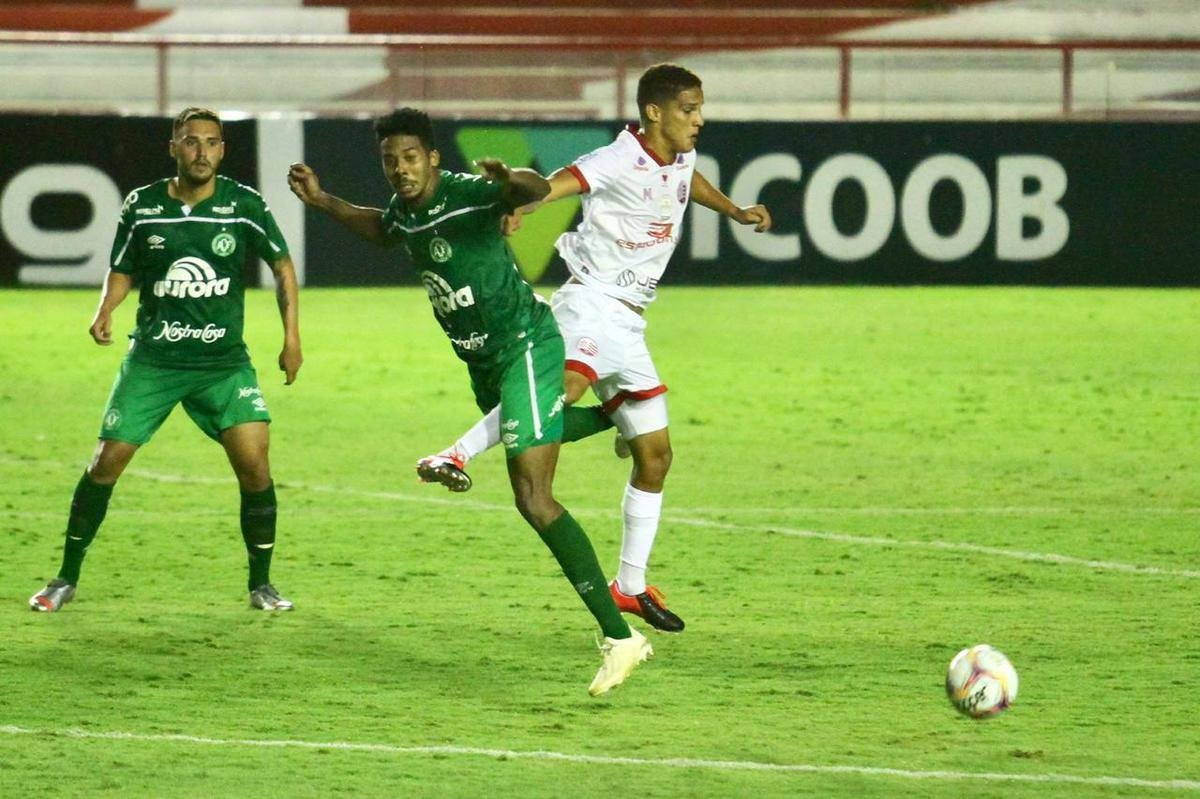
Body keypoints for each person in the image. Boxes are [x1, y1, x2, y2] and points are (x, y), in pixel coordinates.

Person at [286, 107, 651, 696]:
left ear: (432, 157)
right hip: (483, 364)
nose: (400, 170)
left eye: (410, 157)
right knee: (536, 440)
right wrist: (324, 201)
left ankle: (619, 638)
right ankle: (620, 415)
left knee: (534, 498)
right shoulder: (407, 213)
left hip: (525, 347)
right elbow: (384, 230)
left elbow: (533, 191)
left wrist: (510, 180)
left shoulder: (465, 194)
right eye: (389, 161)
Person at [415, 64, 772, 634]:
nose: (699, 119)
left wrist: (734, 210)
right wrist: (515, 193)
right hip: (591, 302)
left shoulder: (680, 154)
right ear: (654, 112)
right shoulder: (615, 159)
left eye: (700, 107)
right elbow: (554, 185)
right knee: (561, 391)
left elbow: (686, 184)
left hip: (629, 321)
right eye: (688, 108)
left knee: (655, 456)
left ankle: (628, 587)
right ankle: (454, 454)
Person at [29, 107, 303, 613]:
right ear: (174, 147)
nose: (202, 152)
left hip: (222, 364)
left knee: (256, 467)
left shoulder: (244, 205)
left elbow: (282, 266)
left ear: (223, 149)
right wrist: (105, 309)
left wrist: (292, 339)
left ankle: (261, 585)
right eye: (192, 141)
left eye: (212, 142)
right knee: (105, 463)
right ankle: (65, 577)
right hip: (154, 361)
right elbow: (122, 267)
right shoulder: (143, 206)